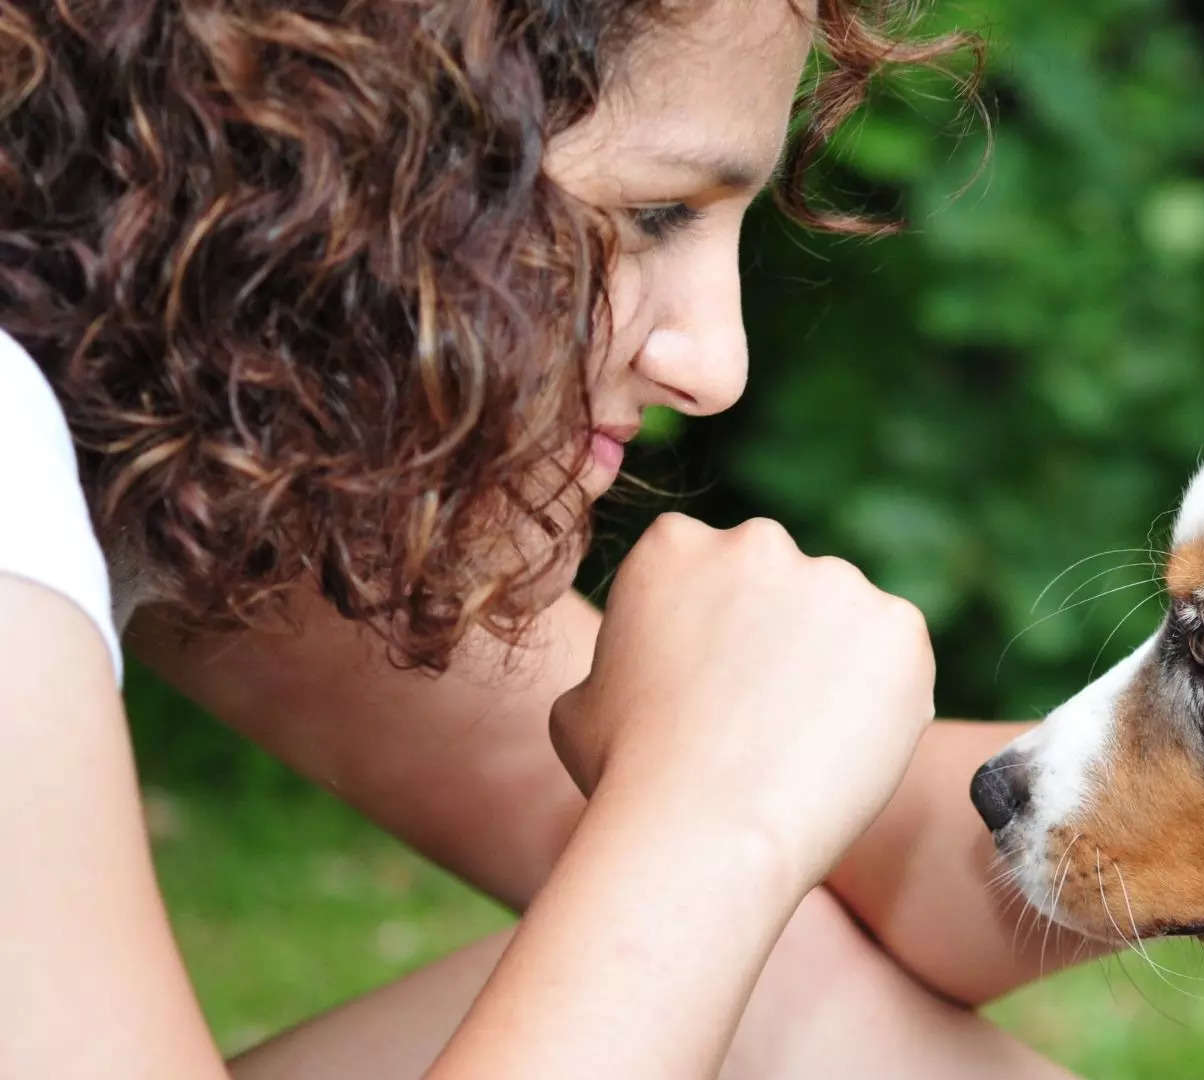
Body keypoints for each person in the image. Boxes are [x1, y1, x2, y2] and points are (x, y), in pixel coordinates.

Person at [0, 0, 1105, 1074]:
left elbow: (874, 850)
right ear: (344, 128)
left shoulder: (186, 412)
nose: (716, 366)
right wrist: (716, 824)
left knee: (764, 986)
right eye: (655, 215)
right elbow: (705, 853)